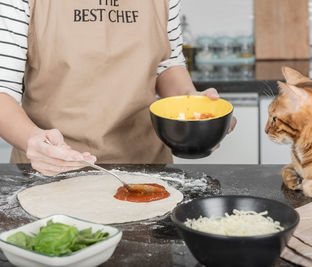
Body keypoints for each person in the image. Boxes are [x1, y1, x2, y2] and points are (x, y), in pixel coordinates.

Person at [0, 0, 236, 176]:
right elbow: (3, 90)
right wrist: (33, 140)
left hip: (146, 169)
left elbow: (166, 64)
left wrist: (196, 110)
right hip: (52, 168)